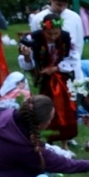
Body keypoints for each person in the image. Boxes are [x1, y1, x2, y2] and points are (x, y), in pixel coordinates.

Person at [20, 14, 78, 143]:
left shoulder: (66, 37)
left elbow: (73, 59)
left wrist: (56, 68)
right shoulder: (33, 38)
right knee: (44, 107)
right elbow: (27, 65)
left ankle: (65, 140)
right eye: (49, 34)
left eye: (56, 34)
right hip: (43, 80)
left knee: (65, 108)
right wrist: (27, 57)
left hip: (62, 78)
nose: (53, 37)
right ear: (43, 30)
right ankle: (47, 138)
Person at [29, 0, 85, 80]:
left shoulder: (74, 17)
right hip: (47, 66)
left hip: (69, 66)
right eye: (58, 4)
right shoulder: (38, 18)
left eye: (65, 5)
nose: (61, 8)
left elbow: (79, 43)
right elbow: (35, 44)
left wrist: (72, 64)